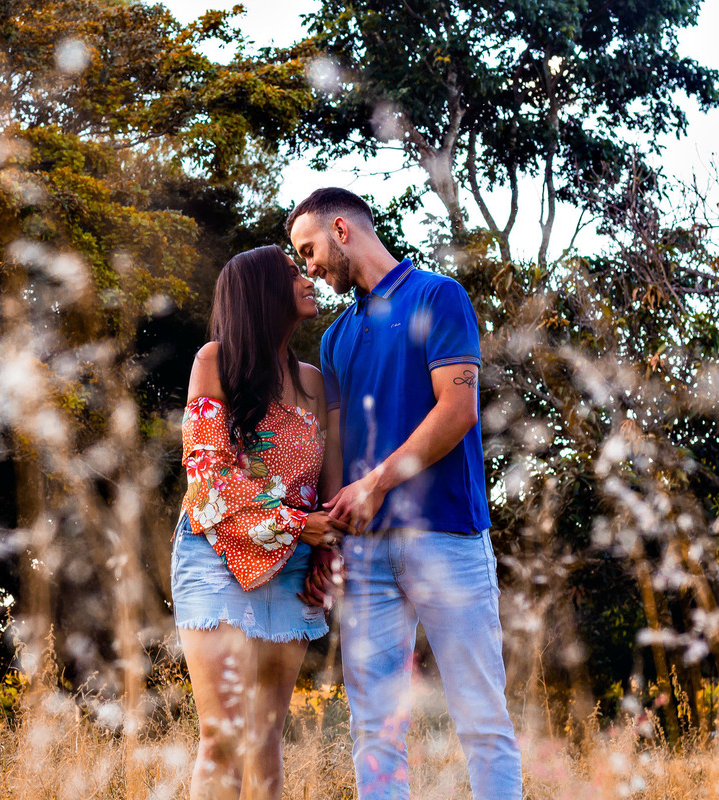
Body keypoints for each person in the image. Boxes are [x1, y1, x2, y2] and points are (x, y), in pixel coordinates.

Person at [287, 188, 523, 799]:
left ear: (342, 229)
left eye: (308, 249)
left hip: (447, 537)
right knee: (375, 730)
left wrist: (377, 483)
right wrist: (327, 542)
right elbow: (335, 452)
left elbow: (458, 409)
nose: (306, 266)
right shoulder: (335, 339)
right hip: (364, 557)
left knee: (481, 718)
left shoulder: (439, 297)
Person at [173, 244, 349, 800]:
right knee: (222, 735)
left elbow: (332, 494)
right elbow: (206, 481)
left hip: (294, 568)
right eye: (293, 272)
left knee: (266, 735)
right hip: (215, 553)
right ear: (261, 292)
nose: (307, 277)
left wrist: (325, 556)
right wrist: (304, 527)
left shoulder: (317, 383)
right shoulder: (215, 362)